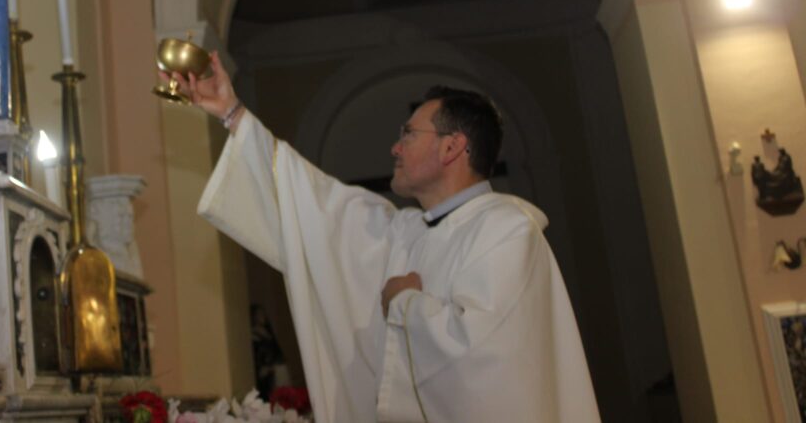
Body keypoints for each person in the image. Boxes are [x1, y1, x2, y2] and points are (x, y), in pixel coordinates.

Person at [166, 53, 600, 423]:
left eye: (409, 134)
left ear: (452, 148)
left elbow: (484, 364)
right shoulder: (405, 232)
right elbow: (314, 207)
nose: (395, 147)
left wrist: (403, 304)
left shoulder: (505, 230)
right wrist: (231, 113)